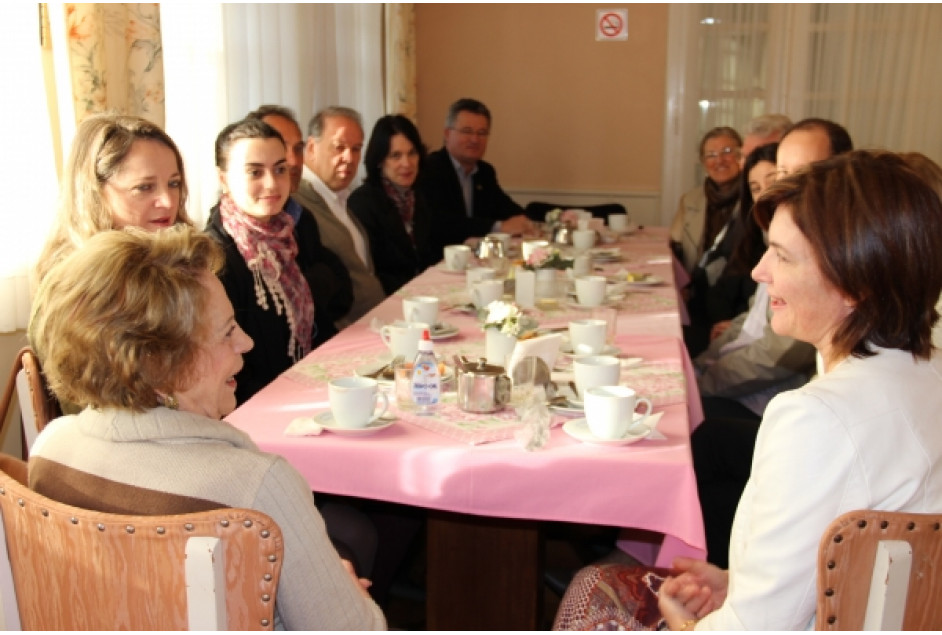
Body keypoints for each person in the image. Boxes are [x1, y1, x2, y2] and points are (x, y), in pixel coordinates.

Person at [556, 150, 942, 630]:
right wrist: (738, 583)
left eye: (782, 256)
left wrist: (688, 625)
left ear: (853, 283)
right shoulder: (928, 376)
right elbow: (868, 572)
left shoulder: (817, 418)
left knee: (592, 590)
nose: (760, 271)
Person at [27, 226, 386, 630]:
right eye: (228, 331)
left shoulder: (49, 448)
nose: (247, 343)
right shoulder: (256, 485)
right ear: (162, 363)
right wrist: (349, 596)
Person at [692, 118, 852, 567]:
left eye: (801, 173)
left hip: (778, 407)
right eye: (781, 174)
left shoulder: (836, 256)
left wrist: (704, 377)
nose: (761, 271)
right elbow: (751, 318)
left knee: (698, 436)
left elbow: (776, 356)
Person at [205, 117, 318, 405]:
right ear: (223, 179)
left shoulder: (286, 235)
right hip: (256, 405)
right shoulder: (216, 259)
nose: (271, 183)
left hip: (301, 382)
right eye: (255, 172)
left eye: (280, 169)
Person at [34, 113, 193, 285]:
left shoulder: (189, 261)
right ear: (96, 193)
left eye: (174, 183)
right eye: (144, 187)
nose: (168, 202)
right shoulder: (81, 284)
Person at [247, 104, 354, 346]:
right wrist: (313, 284)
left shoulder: (300, 217)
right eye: (281, 148)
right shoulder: (234, 238)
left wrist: (306, 286)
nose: (294, 161)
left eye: (298, 148)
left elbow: (343, 292)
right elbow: (270, 320)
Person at [295, 106, 386, 328]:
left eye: (356, 149)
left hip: (374, 324)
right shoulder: (298, 204)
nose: (349, 158)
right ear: (311, 147)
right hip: (345, 334)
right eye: (339, 147)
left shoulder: (339, 197)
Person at [418, 98, 534, 252]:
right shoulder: (429, 169)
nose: (475, 139)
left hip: (478, 258)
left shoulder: (485, 172)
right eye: (467, 131)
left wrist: (529, 223)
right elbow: (442, 222)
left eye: (482, 133)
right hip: (440, 259)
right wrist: (498, 227)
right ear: (447, 134)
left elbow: (506, 208)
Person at [672, 126, 743, 356]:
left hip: (737, 297)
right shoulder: (691, 200)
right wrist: (681, 284)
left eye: (727, 151)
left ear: (741, 156)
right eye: (711, 155)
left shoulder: (753, 196)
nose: (719, 160)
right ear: (703, 163)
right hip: (699, 294)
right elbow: (676, 246)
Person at [349, 114, 436, 294]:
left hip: (423, 294)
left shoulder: (418, 197)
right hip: (387, 299)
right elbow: (374, 273)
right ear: (379, 161)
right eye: (396, 155)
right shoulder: (363, 203)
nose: (407, 163)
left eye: (412, 153)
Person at [705, 142, 780, 338]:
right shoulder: (754, 229)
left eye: (773, 182)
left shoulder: (801, 241)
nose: (765, 195)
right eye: (756, 188)